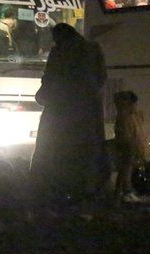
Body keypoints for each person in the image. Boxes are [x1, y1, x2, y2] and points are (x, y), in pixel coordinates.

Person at [30, 23, 108, 204]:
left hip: (60, 110)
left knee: (57, 150)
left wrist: (45, 95)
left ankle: (59, 188)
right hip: (88, 110)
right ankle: (87, 187)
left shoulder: (59, 52)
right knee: (86, 150)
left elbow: (50, 79)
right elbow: (101, 77)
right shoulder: (93, 48)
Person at [112, 90, 150, 202]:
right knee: (126, 169)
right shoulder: (127, 117)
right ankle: (125, 192)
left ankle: (122, 192)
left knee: (125, 169)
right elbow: (129, 133)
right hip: (128, 146)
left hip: (127, 145)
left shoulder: (126, 116)